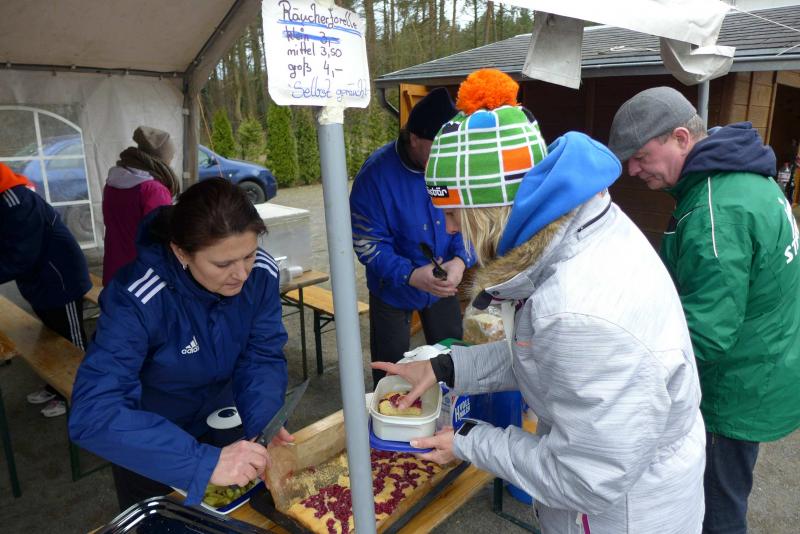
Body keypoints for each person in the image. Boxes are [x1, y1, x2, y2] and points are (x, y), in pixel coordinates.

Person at [374, 70, 706, 533]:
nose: (449, 228)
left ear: (489, 211)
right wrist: (446, 368)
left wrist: (468, 440)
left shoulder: (578, 313)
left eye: (453, 213)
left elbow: (584, 478)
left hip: (620, 517)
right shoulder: (579, 231)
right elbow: (540, 357)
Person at [607, 86, 800, 534]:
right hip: (767, 359)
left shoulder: (716, 210)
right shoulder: (746, 178)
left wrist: (623, 360)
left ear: (680, 138)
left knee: (717, 509)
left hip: (732, 386)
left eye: (640, 156)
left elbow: (707, 334)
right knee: (728, 492)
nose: (632, 170)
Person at [69, 178, 291, 511]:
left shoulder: (261, 274)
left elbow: (261, 355)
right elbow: (94, 412)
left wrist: (263, 422)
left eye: (249, 254)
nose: (242, 274)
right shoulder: (138, 298)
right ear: (180, 252)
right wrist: (202, 462)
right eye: (222, 264)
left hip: (226, 427)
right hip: (154, 445)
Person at [349, 88, 475, 385]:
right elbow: (368, 243)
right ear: (414, 138)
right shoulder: (375, 176)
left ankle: (450, 405)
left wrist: (461, 260)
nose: (446, 157)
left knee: (453, 359)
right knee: (391, 371)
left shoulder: (454, 164)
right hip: (392, 288)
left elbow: (470, 219)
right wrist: (410, 274)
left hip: (443, 281)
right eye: (438, 148)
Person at [0, 162, 90, 418]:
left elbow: (21, 256)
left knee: (72, 341)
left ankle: (82, 394)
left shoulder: (16, 202)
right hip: (40, 281)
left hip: (61, 280)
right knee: (53, 337)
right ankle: (58, 386)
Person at [102, 125, 178, 285]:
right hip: (141, 276)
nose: (171, 161)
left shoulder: (112, 182)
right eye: (170, 157)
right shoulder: (153, 190)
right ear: (162, 158)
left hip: (114, 267)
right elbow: (162, 237)